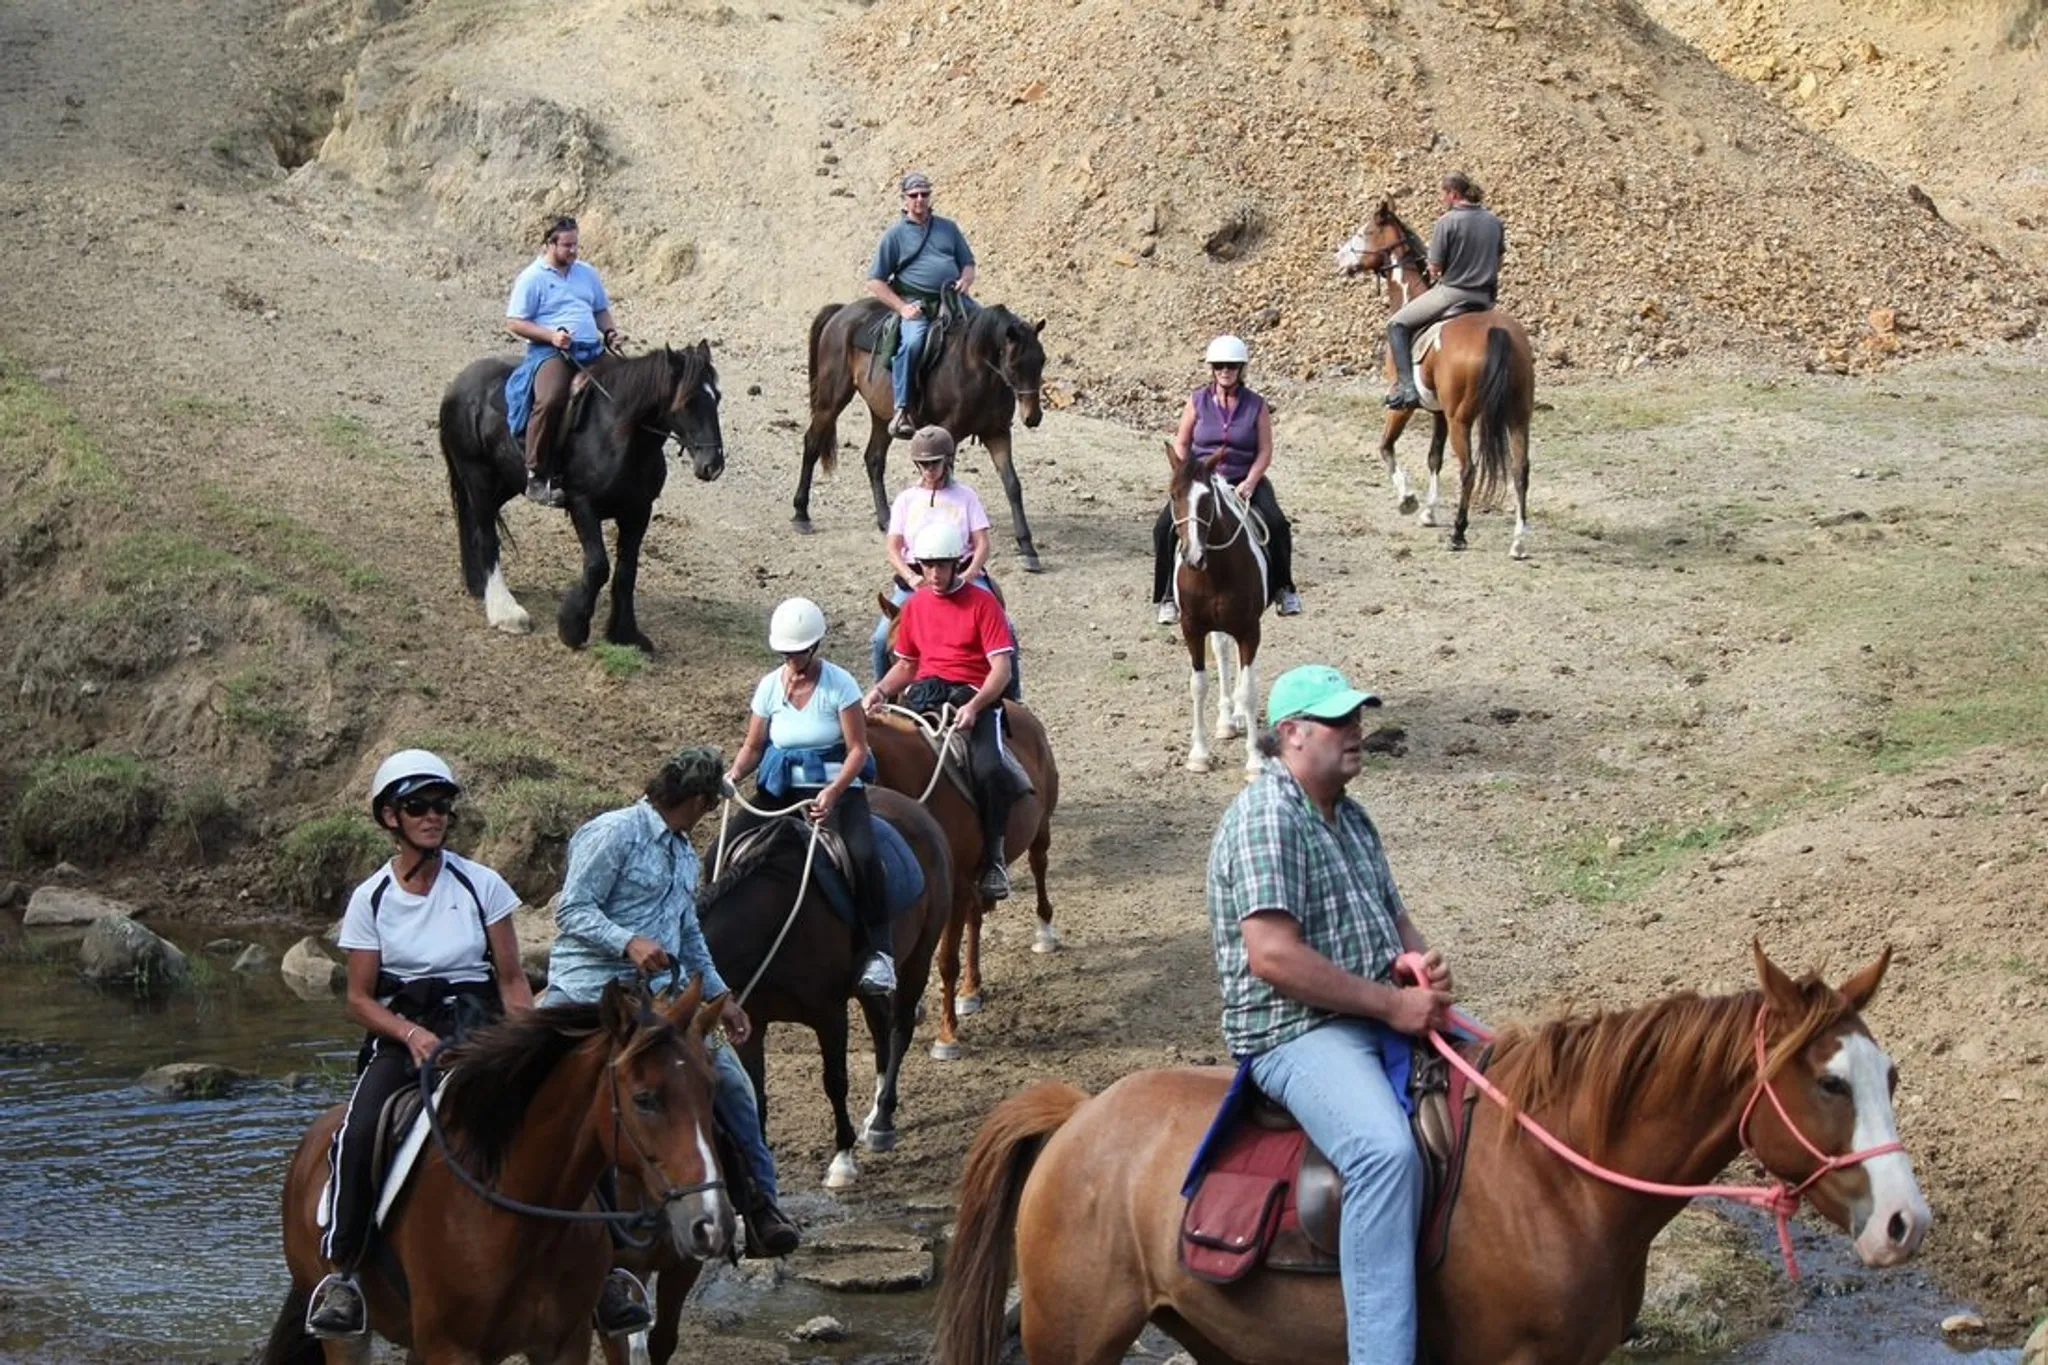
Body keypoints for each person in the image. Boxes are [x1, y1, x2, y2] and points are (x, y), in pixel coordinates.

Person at [1206, 664, 1456, 1365]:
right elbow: (1274, 958)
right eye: (1340, 721)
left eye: (1358, 718)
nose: (1357, 732)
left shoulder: (1351, 815)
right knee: (1383, 1153)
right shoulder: (1266, 817)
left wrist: (1422, 965)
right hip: (1295, 1030)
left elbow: (1395, 917)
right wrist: (1393, 1003)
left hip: (1371, 1010)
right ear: (1291, 735)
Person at [305, 749, 536, 1339]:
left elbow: (511, 978)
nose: (434, 817)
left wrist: (529, 1045)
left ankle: (610, 1267)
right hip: (406, 1034)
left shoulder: (482, 885)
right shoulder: (371, 899)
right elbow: (359, 998)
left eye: (441, 806)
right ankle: (344, 1272)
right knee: (358, 1131)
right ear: (390, 817)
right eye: (419, 807)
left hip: (482, 1026)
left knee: (564, 1106)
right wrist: (408, 1034)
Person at [540, 746, 802, 1264]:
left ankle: (760, 1204)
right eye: (709, 806)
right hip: (587, 990)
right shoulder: (613, 833)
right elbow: (571, 909)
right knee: (529, 1083)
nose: (708, 815)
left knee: (729, 1083)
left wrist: (720, 997)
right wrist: (627, 942)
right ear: (700, 799)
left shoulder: (683, 854)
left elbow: (689, 935)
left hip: (656, 1001)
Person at [725, 597, 897, 999]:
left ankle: (880, 953)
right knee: (722, 848)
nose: (791, 658)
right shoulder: (769, 686)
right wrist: (732, 775)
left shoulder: (840, 685)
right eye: (785, 651)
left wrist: (834, 793)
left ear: (815, 646)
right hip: (780, 789)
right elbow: (754, 746)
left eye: (798, 650)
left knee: (863, 854)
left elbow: (857, 749)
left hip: (835, 788)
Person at [864, 521, 1018, 902]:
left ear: (955, 564)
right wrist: (880, 690)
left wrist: (976, 705)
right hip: (924, 697)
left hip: (972, 697)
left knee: (989, 768)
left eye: (941, 566)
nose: (933, 574)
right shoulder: (914, 606)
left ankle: (994, 858)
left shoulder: (983, 604)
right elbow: (907, 665)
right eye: (926, 566)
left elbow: (1001, 669)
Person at [1154, 335, 1300, 622]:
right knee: (1163, 529)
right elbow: (1182, 442)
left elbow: (1265, 450)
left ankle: (1285, 589)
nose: (1225, 370)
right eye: (1219, 365)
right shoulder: (1196, 401)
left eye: (1231, 365)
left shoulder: (1256, 405)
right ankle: (1166, 597)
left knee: (1277, 524)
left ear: (1241, 369)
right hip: (1202, 482)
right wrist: (1186, 474)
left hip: (1241, 479)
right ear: (1212, 368)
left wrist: (1250, 482)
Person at [870, 425, 1021, 698]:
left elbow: (982, 543)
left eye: (934, 463)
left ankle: (1012, 699)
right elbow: (893, 547)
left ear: (947, 460)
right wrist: (911, 578)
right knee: (881, 638)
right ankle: (885, 704)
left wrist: (970, 574)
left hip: (962, 574)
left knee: (1006, 631)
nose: (929, 469)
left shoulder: (966, 496)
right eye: (924, 464)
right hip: (916, 577)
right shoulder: (906, 499)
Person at [505, 214, 622, 507]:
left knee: (625, 391)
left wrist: (609, 332)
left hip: (591, 350)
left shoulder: (586, 273)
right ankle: (535, 472)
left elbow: (600, 309)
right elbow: (515, 322)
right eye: (567, 245)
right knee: (552, 398)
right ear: (550, 243)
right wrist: (551, 336)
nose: (573, 251)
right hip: (551, 352)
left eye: (576, 245)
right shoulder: (532, 278)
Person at [867, 171, 977, 438]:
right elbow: (875, 281)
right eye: (913, 195)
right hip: (916, 303)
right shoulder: (894, 236)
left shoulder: (948, 228)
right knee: (913, 343)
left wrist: (965, 279)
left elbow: (968, 263)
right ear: (904, 200)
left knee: (992, 329)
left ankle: (995, 400)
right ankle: (903, 408)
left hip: (953, 298)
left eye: (924, 194)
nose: (919, 200)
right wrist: (902, 308)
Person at [1384, 172, 1504, 411]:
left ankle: (1407, 389)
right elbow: (1499, 262)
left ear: (1453, 194)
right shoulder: (1494, 221)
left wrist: (1438, 266)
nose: (1440, 199)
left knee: (1396, 324)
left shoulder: (1447, 222)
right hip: (1486, 298)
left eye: (1442, 194)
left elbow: (1435, 268)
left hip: (1453, 292)